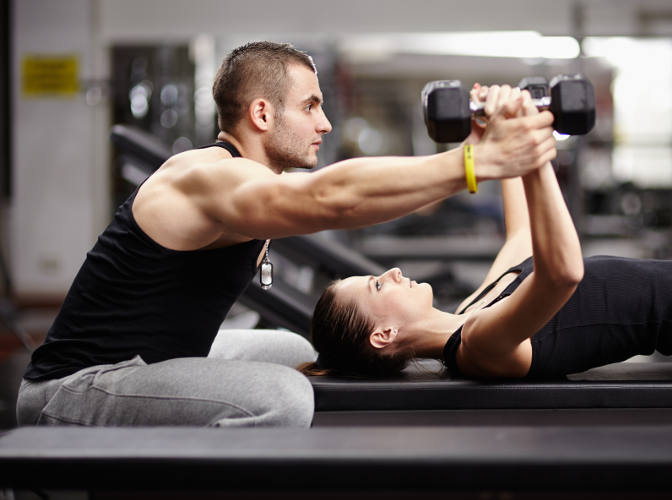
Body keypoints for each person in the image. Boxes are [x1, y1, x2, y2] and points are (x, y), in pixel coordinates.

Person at [17, 41, 558, 427]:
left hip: (149, 363)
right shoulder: (204, 176)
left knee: (291, 347)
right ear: (261, 112)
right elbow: (330, 197)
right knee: (286, 397)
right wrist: (474, 161)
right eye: (310, 106)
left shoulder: (245, 178)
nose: (324, 124)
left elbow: (373, 195)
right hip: (75, 387)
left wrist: (486, 151)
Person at [303, 84, 672, 381]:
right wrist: (529, 146)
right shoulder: (478, 346)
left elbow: (520, 237)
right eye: (377, 284)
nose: (394, 270)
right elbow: (562, 274)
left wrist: (489, 145)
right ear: (382, 335)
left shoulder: (471, 310)